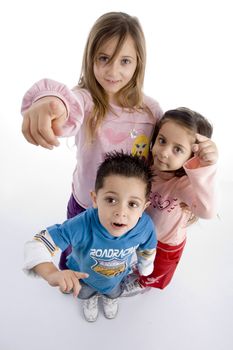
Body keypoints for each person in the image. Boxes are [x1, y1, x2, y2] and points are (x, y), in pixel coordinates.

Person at [21, 11, 162, 270]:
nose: (113, 71)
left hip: (127, 207)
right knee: (78, 253)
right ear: (91, 58)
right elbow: (64, 104)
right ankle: (74, 281)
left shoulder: (151, 112)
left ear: (138, 63)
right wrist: (47, 102)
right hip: (86, 204)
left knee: (113, 256)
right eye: (104, 58)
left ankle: (107, 284)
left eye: (125, 61)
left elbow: (166, 154)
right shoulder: (86, 102)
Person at [23, 152, 157, 322]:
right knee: (85, 294)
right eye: (111, 200)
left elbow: (148, 247)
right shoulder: (82, 225)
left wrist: (146, 266)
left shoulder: (145, 226)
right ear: (95, 199)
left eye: (132, 204)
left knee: (113, 292)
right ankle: (91, 300)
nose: (121, 212)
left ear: (144, 207)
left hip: (116, 278)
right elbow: (36, 245)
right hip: (83, 279)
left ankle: (110, 299)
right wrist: (51, 273)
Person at [122, 107, 218, 296]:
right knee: (142, 258)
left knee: (158, 269)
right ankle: (139, 270)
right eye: (162, 140)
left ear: (192, 158)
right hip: (142, 234)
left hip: (166, 243)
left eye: (178, 149)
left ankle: (144, 283)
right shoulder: (145, 165)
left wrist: (207, 168)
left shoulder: (183, 185)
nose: (164, 152)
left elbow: (208, 211)